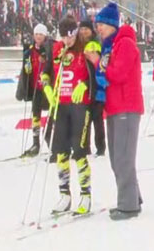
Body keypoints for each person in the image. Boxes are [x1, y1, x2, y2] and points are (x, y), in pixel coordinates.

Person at [94, 3, 144, 220]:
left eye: (102, 25)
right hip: (114, 107)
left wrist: (99, 64)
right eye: (98, 25)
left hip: (126, 106)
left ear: (113, 25)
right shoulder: (110, 46)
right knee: (117, 157)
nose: (99, 29)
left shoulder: (125, 44)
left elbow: (118, 74)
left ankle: (128, 205)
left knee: (123, 157)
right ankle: (133, 197)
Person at [46, 18, 96, 214]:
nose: (68, 41)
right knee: (60, 152)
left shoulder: (85, 48)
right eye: (65, 38)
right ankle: (65, 194)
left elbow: (94, 76)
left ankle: (85, 195)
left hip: (79, 106)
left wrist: (85, 84)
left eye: (71, 37)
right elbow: (46, 72)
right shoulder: (57, 49)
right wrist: (47, 88)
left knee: (80, 151)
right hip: (61, 105)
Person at [18, 24, 54, 157]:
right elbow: (26, 67)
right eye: (36, 34)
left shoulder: (49, 48)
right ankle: (35, 143)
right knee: (35, 115)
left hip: (48, 88)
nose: (38, 36)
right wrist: (27, 68)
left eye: (41, 34)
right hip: (35, 88)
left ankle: (51, 139)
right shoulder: (29, 50)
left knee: (52, 112)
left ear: (45, 36)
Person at [80, 20, 107, 155]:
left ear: (91, 31)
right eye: (82, 29)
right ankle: (86, 147)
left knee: (97, 118)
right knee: (86, 118)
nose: (84, 31)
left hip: (96, 86)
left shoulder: (95, 43)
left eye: (87, 29)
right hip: (86, 86)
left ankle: (100, 147)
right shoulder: (80, 44)